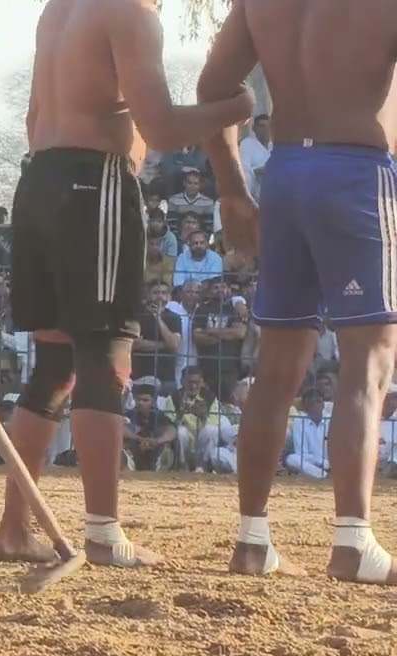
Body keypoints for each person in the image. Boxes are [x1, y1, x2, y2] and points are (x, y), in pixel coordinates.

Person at [0, 0, 254, 568]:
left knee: (55, 365)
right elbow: (159, 127)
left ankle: (15, 527)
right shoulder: (131, 12)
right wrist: (232, 107)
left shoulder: (57, 11)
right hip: (95, 182)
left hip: (40, 179)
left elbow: (35, 119)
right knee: (104, 357)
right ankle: (104, 531)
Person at [197, 0, 397, 585]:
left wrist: (233, 188)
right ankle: (353, 540)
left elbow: (213, 85)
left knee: (277, 370)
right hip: (356, 172)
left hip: (285, 174)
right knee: (368, 360)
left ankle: (252, 541)